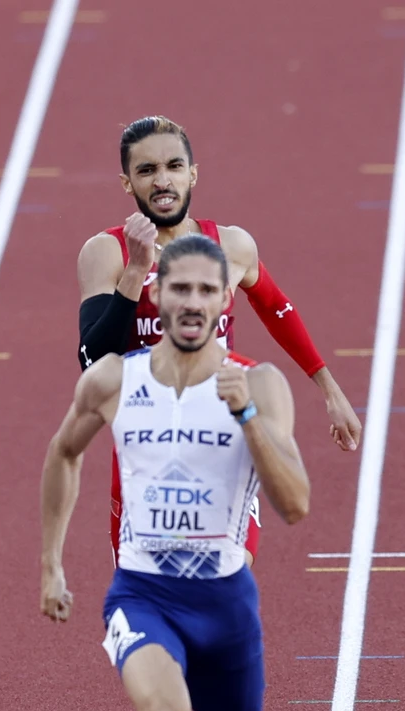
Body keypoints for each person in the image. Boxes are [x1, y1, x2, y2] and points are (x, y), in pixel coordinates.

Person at [43, 235, 308, 711]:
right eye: (179, 290)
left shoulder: (262, 384)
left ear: (227, 303)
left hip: (226, 600)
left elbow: (296, 505)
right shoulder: (113, 380)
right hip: (143, 592)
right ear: (157, 299)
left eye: (206, 292)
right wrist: (51, 564)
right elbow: (63, 452)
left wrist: (249, 419)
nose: (191, 303)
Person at [77, 116, 358, 554]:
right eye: (146, 170)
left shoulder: (232, 246)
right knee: (151, 592)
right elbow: (92, 359)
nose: (162, 180)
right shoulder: (105, 252)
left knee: (230, 566)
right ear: (127, 183)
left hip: (223, 430)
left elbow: (276, 308)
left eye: (173, 166)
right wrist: (135, 270)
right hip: (145, 444)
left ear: (193, 173)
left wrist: (328, 386)